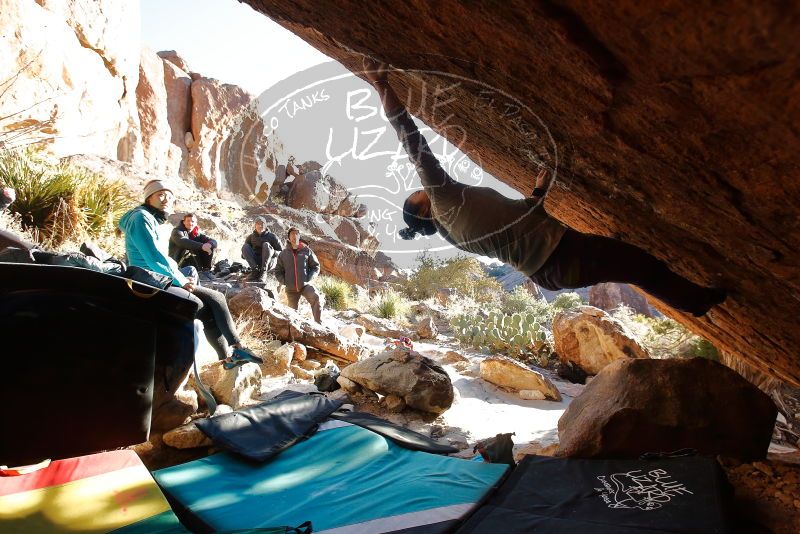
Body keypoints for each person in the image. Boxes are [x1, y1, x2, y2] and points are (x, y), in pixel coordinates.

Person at [363, 59, 726, 317]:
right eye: (417, 193)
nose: (420, 187)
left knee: (637, 267)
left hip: (553, 266)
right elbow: (411, 140)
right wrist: (382, 84)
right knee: (643, 266)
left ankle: (693, 302)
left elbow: (514, 225)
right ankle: (696, 303)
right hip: (563, 256)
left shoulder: (453, 230)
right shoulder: (444, 200)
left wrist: (537, 194)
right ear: (423, 209)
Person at [118, 179, 262, 369]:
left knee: (210, 304)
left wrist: (183, 275)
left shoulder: (151, 219)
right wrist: (180, 279)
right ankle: (235, 350)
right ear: (148, 197)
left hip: (158, 277)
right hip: (148, 281)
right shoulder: (141, 218)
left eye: (169, 196)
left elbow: (164, 258)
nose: (166, 199)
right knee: (211, 300)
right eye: (160, 195)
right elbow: (152, 257)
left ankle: (230, 357)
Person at [274, 227, 322, 323]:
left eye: (297, 234)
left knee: (315, 297)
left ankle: (318, 323)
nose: (295, 236)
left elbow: (316, 266)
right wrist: (285, 281)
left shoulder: (307, 251)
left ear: (299, 236)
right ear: (289, 237)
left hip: (305, 285)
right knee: (293, 315)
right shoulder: (283, 254)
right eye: (292, 234)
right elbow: (278, 271)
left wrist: (309, 277)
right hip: (291, 289)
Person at [241, 216, 282, 281]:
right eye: (258, 224)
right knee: (245, 246)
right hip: (256, 263)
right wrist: (246, 254)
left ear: (265, 225)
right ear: (255, 225)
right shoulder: (251, 237)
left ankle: (263, 273)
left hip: (268, 262)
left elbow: (281, 252)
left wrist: (272, 252)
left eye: (262, 224)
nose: (260, 226)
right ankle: (255, 271)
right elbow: (243, 255)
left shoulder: (272, 237)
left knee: (266, 245)